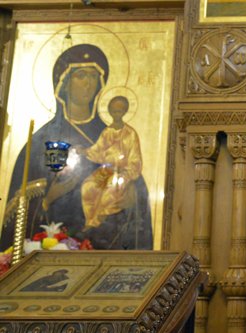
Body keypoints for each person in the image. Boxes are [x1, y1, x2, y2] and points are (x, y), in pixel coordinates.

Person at [1, 44, 152, 250]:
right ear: (64, 83)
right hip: (50, 252)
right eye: (81, 75)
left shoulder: (113, 135)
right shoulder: (39, 143)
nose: (88, 83)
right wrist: (50, 197)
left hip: (105, 251)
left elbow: (134, 186)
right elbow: (16, 214)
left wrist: (133, 199)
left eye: (93, 76)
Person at [79, 95, 143, 229]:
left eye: (119, 111)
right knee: (88, 187)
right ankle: (90, 220)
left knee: (109, 192)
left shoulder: (130, 133)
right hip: (106, 170)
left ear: (125, 112)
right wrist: (84, 152)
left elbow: (135, 159)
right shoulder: (107, 132)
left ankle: (98, 221)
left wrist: (127, 172)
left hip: (123, 173)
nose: (116, 114)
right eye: (113, 111)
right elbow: (97, 150)